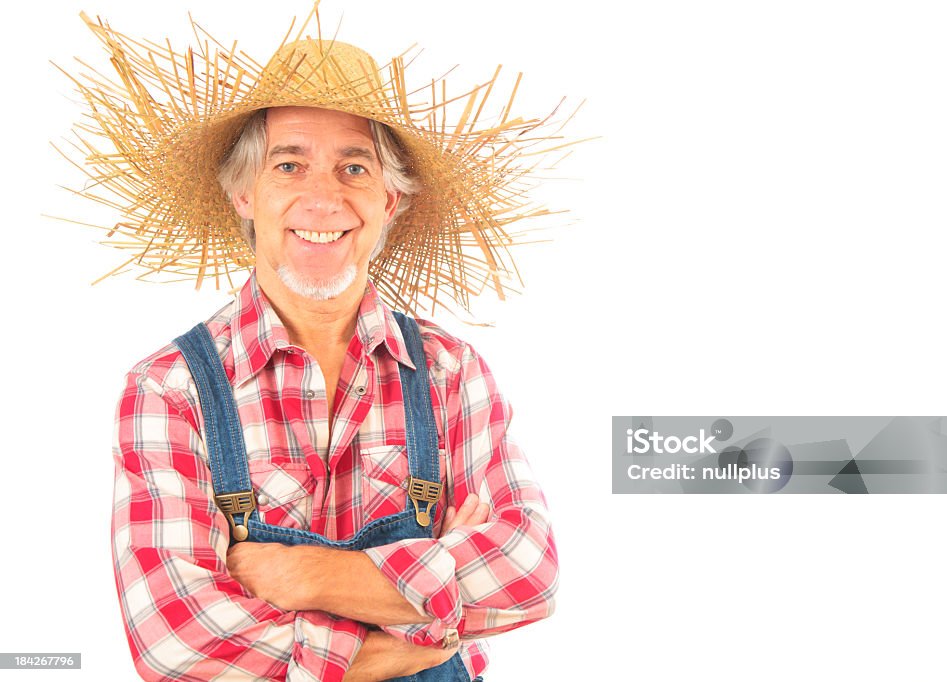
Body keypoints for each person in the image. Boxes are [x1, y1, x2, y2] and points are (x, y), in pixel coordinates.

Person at [62, 9, 571, 681]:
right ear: (245, 192)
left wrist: (300, 575)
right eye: (290, 164)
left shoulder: (450, 372)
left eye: (354, 168)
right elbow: (176, 639)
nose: (323, 198)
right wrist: (413, 619)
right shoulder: (169, 387)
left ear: (391, 199)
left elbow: (529, 573)